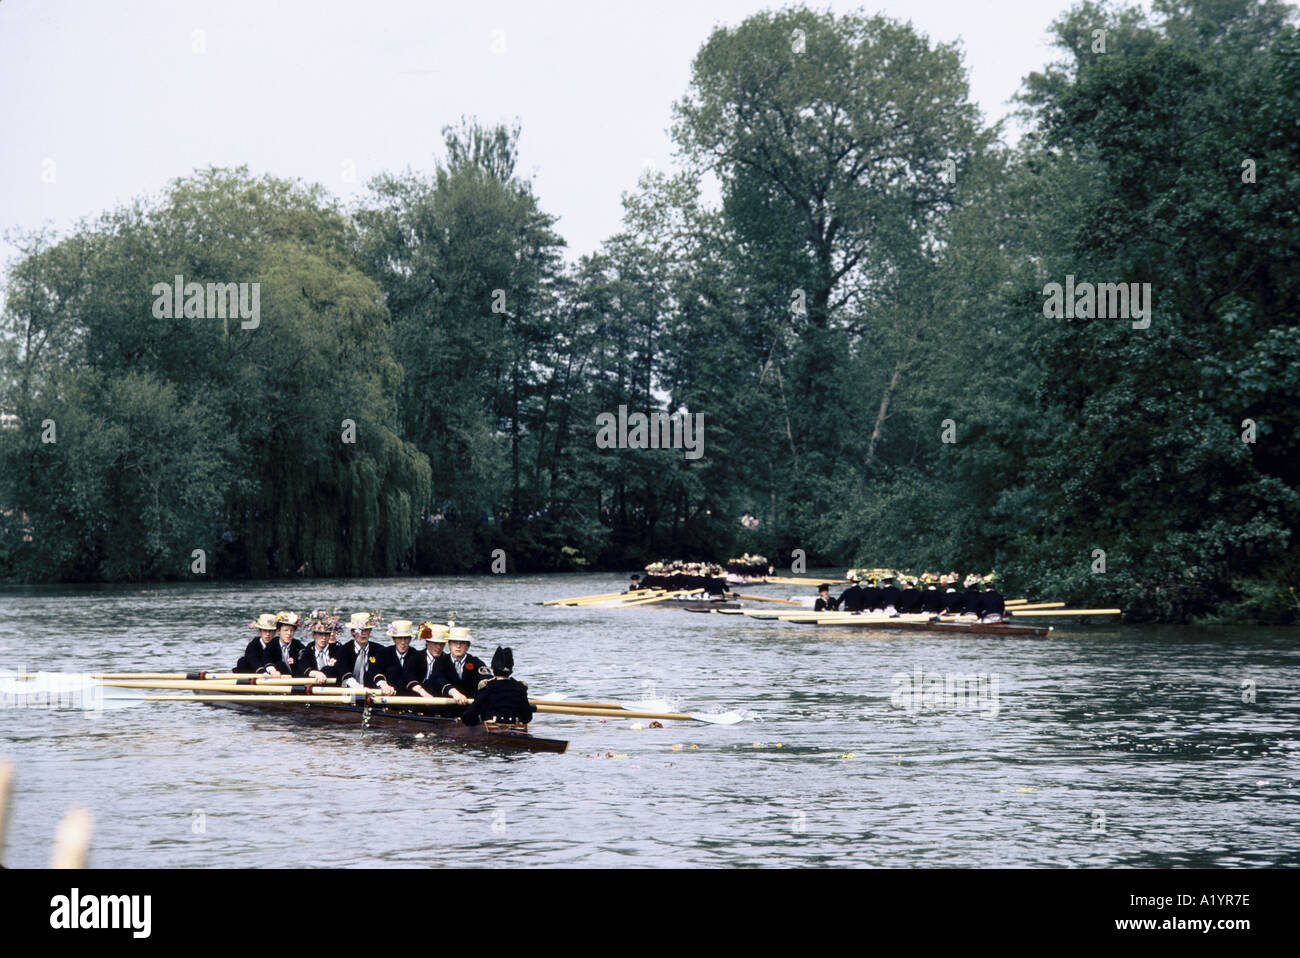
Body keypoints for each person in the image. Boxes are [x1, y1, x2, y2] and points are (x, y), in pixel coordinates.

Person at [461, 647, 535, 727]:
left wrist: (476, 722)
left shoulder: (488, 686)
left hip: (492, 729)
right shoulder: (520, 687)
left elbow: (467, 717)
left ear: (492, 669)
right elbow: (527, 718)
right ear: (510, 670)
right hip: (516, 729)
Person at [338, 611, 396, 694]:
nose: (364, 633)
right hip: (348, 692)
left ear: (370, 631)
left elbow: (378, 670)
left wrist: (383, 684)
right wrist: (355, 685)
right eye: (360, 630)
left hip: (372, 692)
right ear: (353, 632)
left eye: (366, 630)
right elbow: (343, 670)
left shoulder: (379, 650)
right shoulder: (343, 650)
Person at [430, 627, 490, 704]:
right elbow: (438, 680)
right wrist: (454, 692)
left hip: (470, 707)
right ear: (449, 644)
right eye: (455, 642)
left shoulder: (476, 662)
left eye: (462, 643)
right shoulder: (440, 662)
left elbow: (486, 679)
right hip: (446, 708)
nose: (458, 646)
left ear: (468, 646)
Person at [297, 611, 344, 682]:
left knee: (327, 669)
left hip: (333, 686)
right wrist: (316, 674)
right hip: (313, 686)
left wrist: (336, 665)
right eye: (320, 634)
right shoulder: (307, 650)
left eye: (326, 634)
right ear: (313, 635)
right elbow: (302, 668)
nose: (324, 638)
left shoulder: (338, 650)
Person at [408, 622, 449, 698]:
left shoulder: (447, 660)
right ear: (427, 642)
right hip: (416, 696)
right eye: (435, 643)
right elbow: (409, 677)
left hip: (439, 697)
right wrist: (423, 692)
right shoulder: (415, 657)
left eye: (442, 644)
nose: (439, 647)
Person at [264, 611, 305, 678]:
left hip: (295, 678)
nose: (289, 633)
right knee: (279, 665)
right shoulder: (272, 644)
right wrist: (272, 671)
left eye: (291, 630)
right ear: (278, 631)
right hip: (278, 677)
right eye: (286, 630)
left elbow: (304, 660)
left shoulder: (298, 645)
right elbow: (267, 659)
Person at [386, 620, 421, 691]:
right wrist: (384, 685)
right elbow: (376, 671)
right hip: (389, 695)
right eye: (399, 638)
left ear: (410, 639)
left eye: (406, 638)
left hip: (411, 695)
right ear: (394, 639)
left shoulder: (416, 656)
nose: (403, 642)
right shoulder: (384, 653)